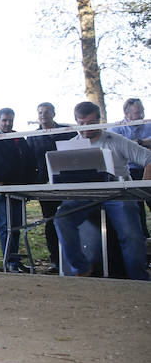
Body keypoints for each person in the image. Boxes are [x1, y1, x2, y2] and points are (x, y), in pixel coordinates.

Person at [54, 101, 151, 280]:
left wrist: (142, 187)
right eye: (81, 123)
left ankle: (138, 277)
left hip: (118, 193)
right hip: (85, 194)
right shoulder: (70, 145)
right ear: (76, 122)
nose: (86, 128)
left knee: (130, 234)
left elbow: (148, 158)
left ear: (100, 121)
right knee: (62, 217)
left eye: (91, 123)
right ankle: (81, 267)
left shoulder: (115, 140)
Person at [0, 108, 37, 272]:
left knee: (18, 225)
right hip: (0, 189)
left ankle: (15, 260)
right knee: (6, 224)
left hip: (19, 189)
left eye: (10, 120)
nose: (7, 123)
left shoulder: (19, 138)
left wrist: (28, 185)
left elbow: (29, 162)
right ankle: (10, 261)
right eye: (4, 120)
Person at [25, 102, 76, 273]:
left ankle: (75, 259)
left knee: (71, 219)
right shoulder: (32, 137)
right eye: (40, 112)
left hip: (68, 183)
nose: (43, 115)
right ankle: (56, 260)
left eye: (47, 112)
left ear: (53, 113)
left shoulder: (67, 131)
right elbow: (30, 163)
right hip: (45, 186)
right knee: (50, 221)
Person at [110, 98, 151, 237]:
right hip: (129, 171)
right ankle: (143, 239)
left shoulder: (148, 124)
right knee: (135, 207)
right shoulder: (116, 129)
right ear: (126, 113)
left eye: (142, 111)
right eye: (137, 112)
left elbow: (128, 145)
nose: (141, 115)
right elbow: (114, 147)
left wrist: (139, 142)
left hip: (149, 167)